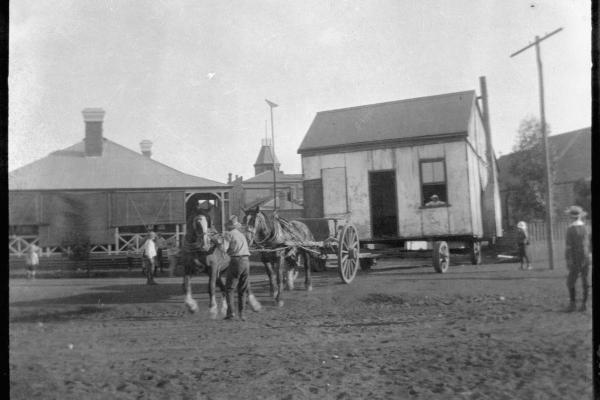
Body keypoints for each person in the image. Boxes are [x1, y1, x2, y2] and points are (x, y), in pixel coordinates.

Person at [221, 216, 252, 321]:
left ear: (229, 226)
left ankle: (231, 313)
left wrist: (217, 242)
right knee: (242, 289)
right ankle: (242, 314)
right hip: (246, 261)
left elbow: (224, 249)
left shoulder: (228, 234)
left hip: (236, 261)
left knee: (229, 288)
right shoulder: (241, 235)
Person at [564, 205, 591, 312]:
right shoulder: (586, 227)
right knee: (585, 280)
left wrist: (568, 259)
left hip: (575, 258)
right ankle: (584, 304)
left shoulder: (570, 229)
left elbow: (568, 247)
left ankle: (572, 303)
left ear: (571, 217)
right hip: (586, 256)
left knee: (570, 281)